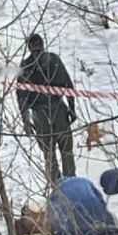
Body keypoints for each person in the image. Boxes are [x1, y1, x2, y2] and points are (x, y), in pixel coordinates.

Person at [17, 33, 77, 182]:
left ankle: (56, 186)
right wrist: (71, 108)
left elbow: (21, 96)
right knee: (66, 150)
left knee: (49, 154)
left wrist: (25, 120)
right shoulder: (53, 60)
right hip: (58, 109)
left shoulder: (25, 65)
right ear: (43, 45)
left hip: (39, 114)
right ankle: (71, 183)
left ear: (29, 47)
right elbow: (68, 85)